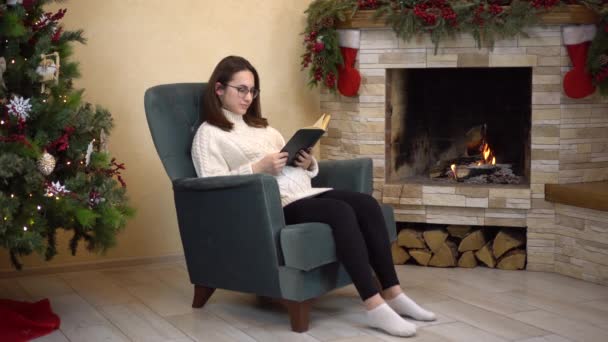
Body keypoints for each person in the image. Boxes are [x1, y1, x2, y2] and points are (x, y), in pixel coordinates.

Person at [191, 55, 436, 337]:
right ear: (219, 89)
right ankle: (374, 305)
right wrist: (257, 168)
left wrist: (308, 163)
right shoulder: (209, 134)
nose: (248, 97)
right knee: (340, 212)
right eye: (241, 89)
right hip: (267, 207)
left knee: (366, 203)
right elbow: (209, 185)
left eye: (253, 90)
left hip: (301, 193)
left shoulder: (265, 129)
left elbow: (291, 167)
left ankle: (394, 293)